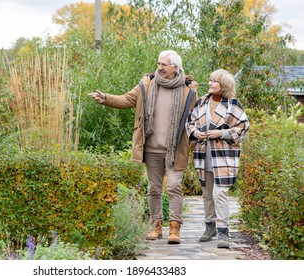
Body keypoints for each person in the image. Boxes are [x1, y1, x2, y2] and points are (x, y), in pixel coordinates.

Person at [88, 50, 198, 244]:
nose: (160, 67)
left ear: (175, 67)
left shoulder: (188, 91)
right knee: (154, 189)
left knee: (174, 186)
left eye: (164, 64)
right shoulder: (146, 85)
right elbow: (126, 99)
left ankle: (174, 229)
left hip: (175, 148)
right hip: (151, 148)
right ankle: (156, 226)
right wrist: (105, 98)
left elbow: (196, 118)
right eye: (158, 63)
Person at [186, 69, 249, 248]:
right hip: (203, 153)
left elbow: (243, 126)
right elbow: (189, 123)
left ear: (224, 85)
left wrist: (221, 133)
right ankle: (210, 227)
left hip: (223, 155)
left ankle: (223, 231)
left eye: (214, 81)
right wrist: (196, 133)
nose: (210, 84)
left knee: (219, 193)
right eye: (210, 80)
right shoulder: (202, 102)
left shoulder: (233, 104)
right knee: (207, 194)